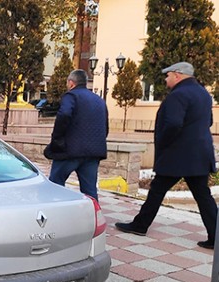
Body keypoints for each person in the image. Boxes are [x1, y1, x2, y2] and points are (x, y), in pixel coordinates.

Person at [115, 62, 217, 249]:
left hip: (177, 155)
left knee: (157, 190)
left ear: (177, 75)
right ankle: (216, 236)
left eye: (167, 75)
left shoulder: (178, 95)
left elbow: (172, 124)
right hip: (200, 154)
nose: (165, 79)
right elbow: (208, 121)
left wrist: (163, 142)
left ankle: (140, 225)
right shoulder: (203, 94)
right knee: (203, 195)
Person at [44, 69, 109, 201]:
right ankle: (93, 218)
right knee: (90, 191)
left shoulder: (71, 96)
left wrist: (57, 141)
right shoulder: (99, 101)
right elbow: (105, 127)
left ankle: (56, 214)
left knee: (55, 184)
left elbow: (64, 115)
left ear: (71, 83)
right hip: (93, 154)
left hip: (69, 152)